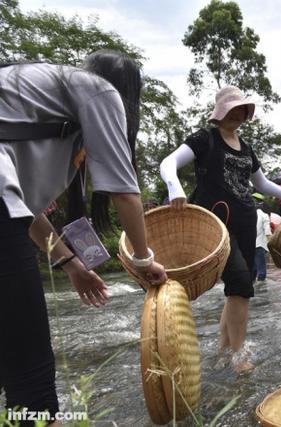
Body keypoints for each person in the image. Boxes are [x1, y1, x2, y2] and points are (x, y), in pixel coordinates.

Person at [0, 50, 167, 424]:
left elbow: (22, 213)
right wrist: (142, 260)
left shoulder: (40, 98)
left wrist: (72, 265)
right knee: (31, 379)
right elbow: (125, 193)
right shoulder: (99, 91)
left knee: (9, 353)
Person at [159, 85, 281, 373]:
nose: (238, 115)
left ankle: (223, 350)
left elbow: (261, 184)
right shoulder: (204, 139)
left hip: (247, 221)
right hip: (216, 224)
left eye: (242, 110)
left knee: (239, 287)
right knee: (239, 281)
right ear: (221, 111)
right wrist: (174, 187)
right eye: (233, 110)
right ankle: (239, 355)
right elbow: (168, 162)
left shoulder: (246, 147)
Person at [254, 200, 272, 283]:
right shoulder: (264, 216)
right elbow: (267, 232)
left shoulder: (250, 215)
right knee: (262, 272)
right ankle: (262, 290)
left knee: (253, 270)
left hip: (249, 245)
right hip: (259, 245)